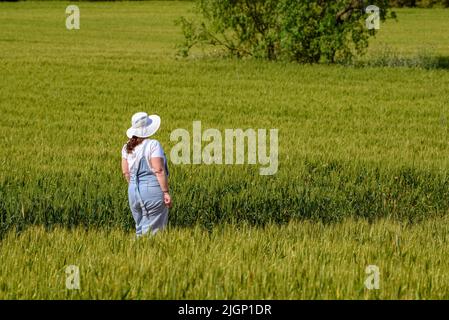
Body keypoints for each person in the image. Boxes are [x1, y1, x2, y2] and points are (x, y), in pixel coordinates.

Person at [121, 112, 171, 236]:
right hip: (152, 190)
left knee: (140, 229)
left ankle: (135, 254)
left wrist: (135, 185)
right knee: (154, 234)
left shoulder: (126, 147)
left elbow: (125, 172)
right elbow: (159, 170)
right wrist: (165, 192)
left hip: (132, 191)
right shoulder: (153, 145)